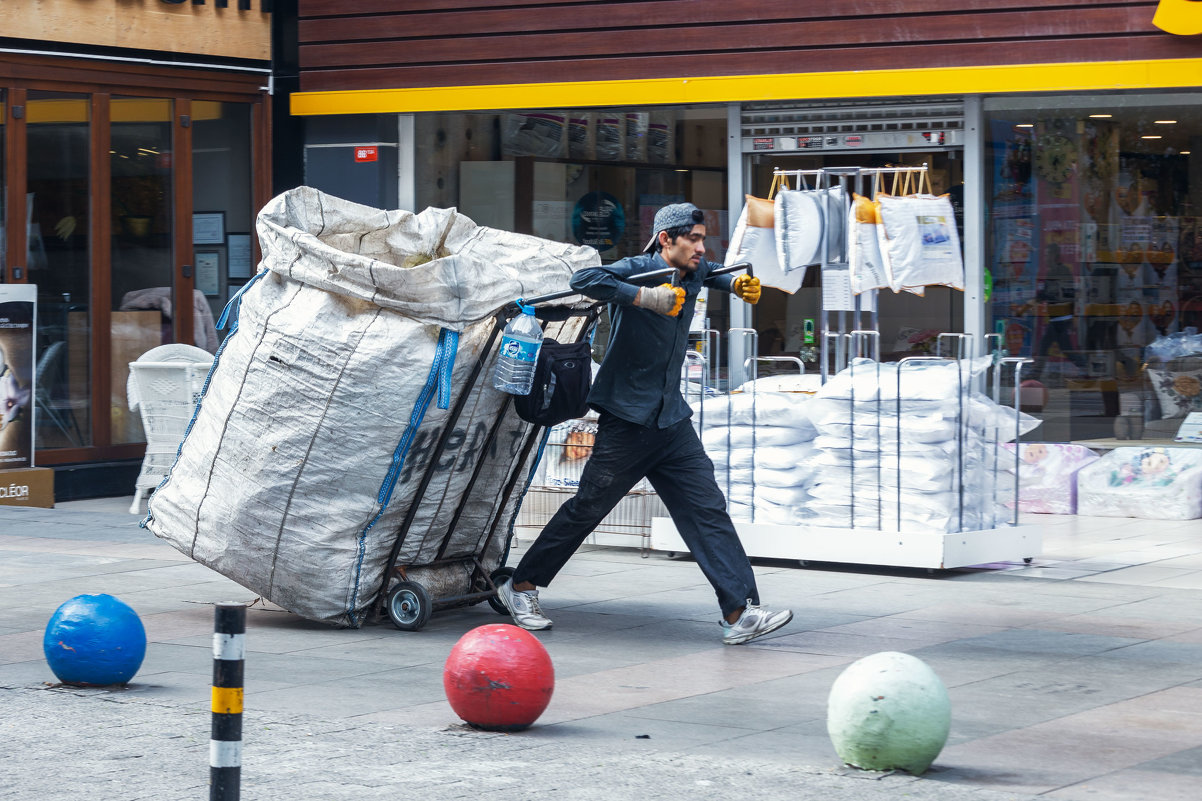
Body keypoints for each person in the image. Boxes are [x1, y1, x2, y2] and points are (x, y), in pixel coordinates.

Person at [497, 202, 794, 645]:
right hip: (627, 418)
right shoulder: (636, 269)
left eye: (702, 238)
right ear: (665, 240)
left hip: (671, 421)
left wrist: (734, 282)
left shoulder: (693, 269)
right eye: (692, 239)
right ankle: (520, 587)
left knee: (706, 509)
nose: (700, 247)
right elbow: (585, 280)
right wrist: (643, 296)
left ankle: (740, 613)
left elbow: (713, 271)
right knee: (589, 507)